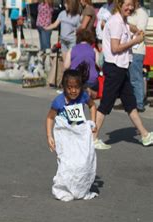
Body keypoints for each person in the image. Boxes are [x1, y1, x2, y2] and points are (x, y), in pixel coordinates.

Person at [94, 0, 152, 149]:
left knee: (130, 103)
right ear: (120, 4)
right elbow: (115, 48)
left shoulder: (122, 21)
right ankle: (92, 138)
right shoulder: (116, 22)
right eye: (127, 4)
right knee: (106, 103)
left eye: (132, 5)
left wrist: (136, 30)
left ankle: (145, 135)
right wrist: (136, 41)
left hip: (121, 67)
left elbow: (129, 27)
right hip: (115, 67)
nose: (130, 7)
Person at [45, 66, 98, 202]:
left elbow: (92, 106)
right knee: (67, 164)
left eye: (76, 87)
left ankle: (80, 188)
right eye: (69, 87)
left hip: (80, 136)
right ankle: (63, 189)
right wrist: (49, 136)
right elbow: (50, 118)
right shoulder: (59, 101)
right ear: (64, 87)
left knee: (83, 162)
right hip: (65, 137)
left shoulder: (83, 96)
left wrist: (92, 123)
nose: (73, 91)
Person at [64, 29, 100, 99]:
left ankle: (82, 91)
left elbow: (66, 66)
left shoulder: (72, 49)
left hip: (76, 79)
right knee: (95, 92)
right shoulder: (94, 50)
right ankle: (89, 91)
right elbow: (99, 64)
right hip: (92, 80)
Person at [127, 0, 148, 112]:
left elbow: (140, 31)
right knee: (129, 77)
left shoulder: (142, 13)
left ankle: (139, 103)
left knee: (136, 78)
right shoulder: (132, 13)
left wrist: (126, 24)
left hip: (137, 50)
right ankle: (131, 102)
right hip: (128, 49)